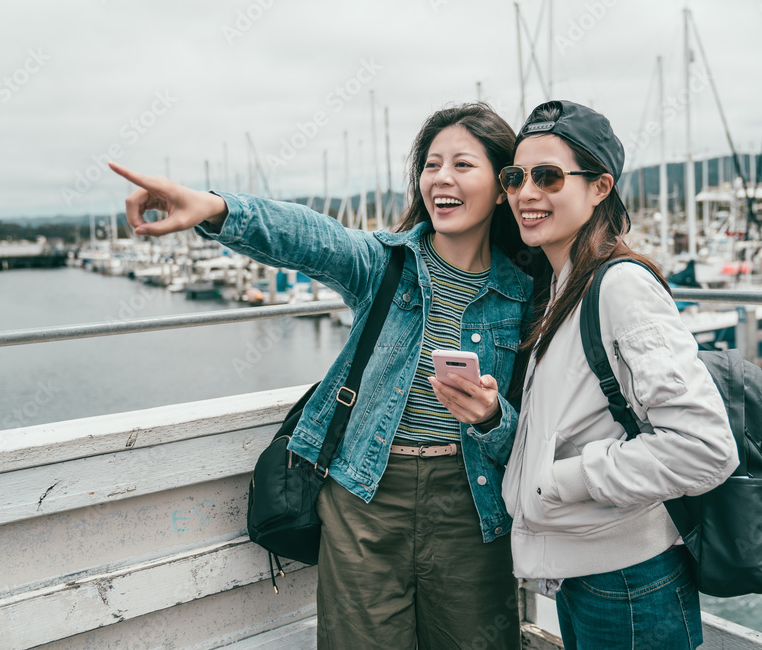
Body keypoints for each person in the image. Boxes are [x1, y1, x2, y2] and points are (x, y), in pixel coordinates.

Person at [109, 102, 533, 649]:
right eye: (430, 165)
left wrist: (493, 418)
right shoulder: (384, 265)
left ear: (502, 187)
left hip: (472, 508)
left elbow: (533, 425)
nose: (441, 179)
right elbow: (310, 236)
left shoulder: (524, 293)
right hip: (366, 499)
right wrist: (213, 208)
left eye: (462, 165)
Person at [499, 100, 739, 650]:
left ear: (601, 186)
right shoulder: (564, 285)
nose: (525, 193)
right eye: (515, 177)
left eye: (548, 176)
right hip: (592, 574)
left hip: (630, 581)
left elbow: (705, 447)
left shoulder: (620, 287)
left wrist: (561, 482)